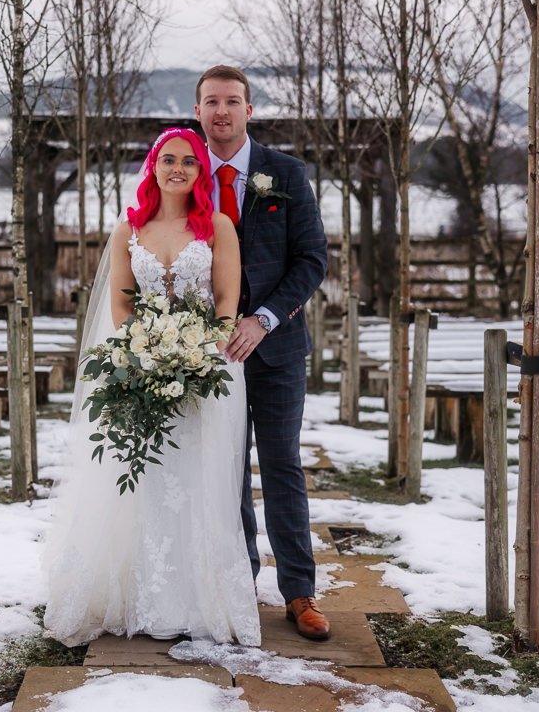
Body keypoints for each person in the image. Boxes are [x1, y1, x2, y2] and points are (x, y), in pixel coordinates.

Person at [43, 127, 260, 647]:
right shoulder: (129, 230)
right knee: (146, 483)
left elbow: (227, 301)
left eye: (188, 160)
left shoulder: (218, 227)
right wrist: (144, 354)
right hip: (141, 368)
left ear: (199, 170)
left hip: (207, 371)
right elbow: (121, 306)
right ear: (153, 167)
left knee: (200, 482)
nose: (179, 168)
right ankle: (138, 594)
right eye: (169, 160)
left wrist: (197, 353)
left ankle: (197, 600)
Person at [194, 64, 331, 640]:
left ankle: (299, 592)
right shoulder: (183, 171)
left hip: (275, 350)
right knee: (222, 474)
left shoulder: (286, 174)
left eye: (232, 101)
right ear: (197, 111)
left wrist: (264, 319)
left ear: (249, 110)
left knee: (281, 469)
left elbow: (311, 261)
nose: (221, 111)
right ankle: (237, 586)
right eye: (210, 102)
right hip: (204, 357)